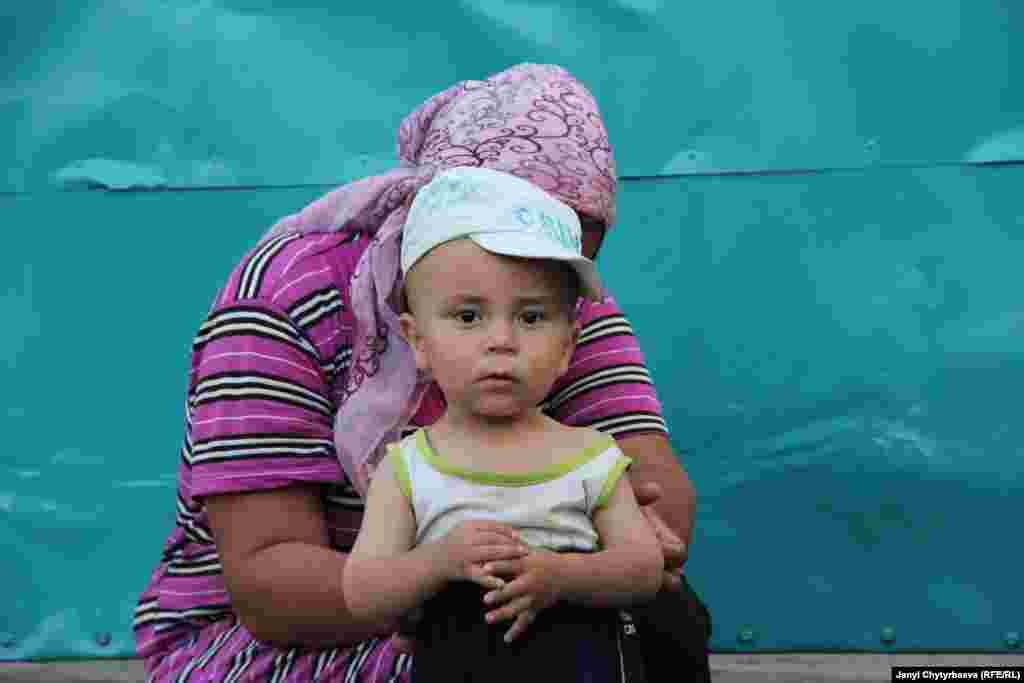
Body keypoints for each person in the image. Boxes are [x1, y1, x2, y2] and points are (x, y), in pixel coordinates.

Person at [134, 63, 710, 683]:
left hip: (518, 597)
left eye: (552, 283)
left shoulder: (556, 292)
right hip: (278, 640)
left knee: (664, 626)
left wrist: (619, 549)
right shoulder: (282, 300)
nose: (505, 336)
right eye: (469, 313)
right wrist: (452, 576)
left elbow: (654, 492)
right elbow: (270, 587)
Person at [343, 165, 664, 683]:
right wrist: (440, 560)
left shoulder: (591, 456)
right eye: (469, 316)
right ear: (417, 340)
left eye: (531, 317)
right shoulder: (408, 469)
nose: (502, 341)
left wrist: (559, 575)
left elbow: (644, 567)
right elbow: (363, 592)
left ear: (567, 347)